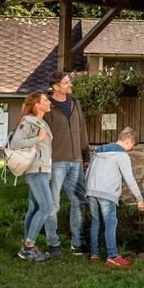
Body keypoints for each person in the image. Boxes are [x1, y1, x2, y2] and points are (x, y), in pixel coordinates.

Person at [44, 71, 90, 255]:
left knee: (79, 201)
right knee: (52, 205)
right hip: (54, 162)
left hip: (75, 161)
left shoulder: (75, 103)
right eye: (66, 83)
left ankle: (77, 244)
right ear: (55, 87)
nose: (70, 85)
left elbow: (82, 129)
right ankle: (52, 244)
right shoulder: (46, 106)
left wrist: (85, 156)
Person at [86, 127, 144, 267]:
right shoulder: (122, 156)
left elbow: (89, 171)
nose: (131, 149)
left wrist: (86, 192)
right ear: (129, 141)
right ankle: (112, 256)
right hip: (107, 193)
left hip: (92, 191)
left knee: (96, 222)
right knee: (110, 223)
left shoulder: (99, 151)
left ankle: (94, 254)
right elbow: (129, 179)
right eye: (133, 145)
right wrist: (139, 198)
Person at [12, 92, 59, 261]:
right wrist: (37, 138)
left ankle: (28, 246)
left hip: (43, 170)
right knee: (46, 208)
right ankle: (28, 247)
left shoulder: (41, 121)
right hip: (36, 171)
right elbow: (16, 142)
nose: (49, 102)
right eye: (46, 100)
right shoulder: (29, 121)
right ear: (37, 105)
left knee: (34, 209)